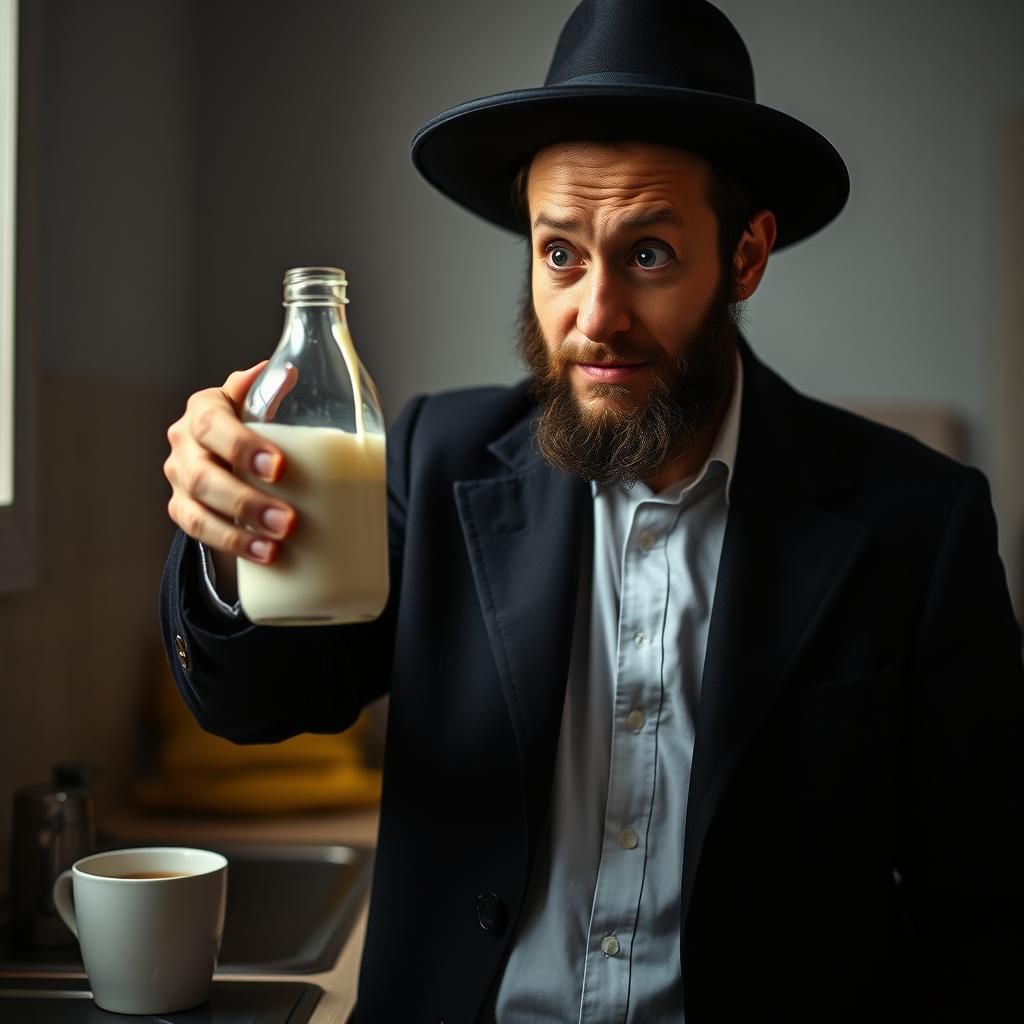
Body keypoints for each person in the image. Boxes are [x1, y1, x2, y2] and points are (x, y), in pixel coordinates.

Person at [160, 1, 1024, 1021]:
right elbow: (259, 699)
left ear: (744, 257)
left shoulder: (917, 522)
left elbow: (985, 910)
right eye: (560, 254)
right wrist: (226, 552)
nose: (595, 315)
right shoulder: (432, 463)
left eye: (648, 254)